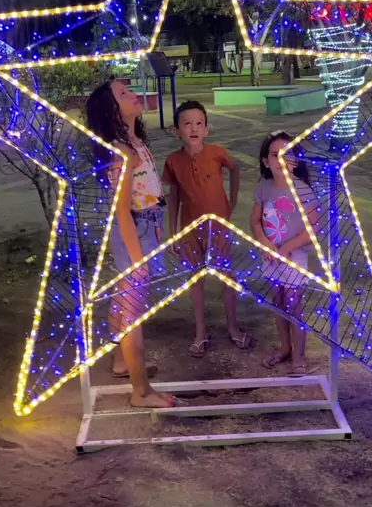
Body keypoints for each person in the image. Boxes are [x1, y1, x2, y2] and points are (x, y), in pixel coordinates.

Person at [86, 79, 173, 409]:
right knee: (133, 312)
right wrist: (137, 258)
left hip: (147, 225)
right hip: (134, 229)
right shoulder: (122, 152)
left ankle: (122, 362)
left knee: (125, 302)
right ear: (112, 111)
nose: (134, 94)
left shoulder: (135, 142)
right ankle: (141, 392)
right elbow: (121, 210)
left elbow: (147, 191)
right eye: (124, 94)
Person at [163, 100, 251, 357]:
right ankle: (200, 332)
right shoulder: (172, 161)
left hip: (218, 227)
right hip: (190, 229)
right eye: (187, 124)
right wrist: (174, 233)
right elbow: (173, 197)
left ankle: (233, 328)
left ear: (206, 129)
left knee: (227, 277)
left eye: (199, 123)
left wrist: (232, 201)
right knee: (195, 278)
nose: (193, 128)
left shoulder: (217, 152)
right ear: (176, 131)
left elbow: (235, 169)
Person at [250, 130, 319, 375]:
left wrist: (286, 248)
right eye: (275, 155)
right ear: (265, 161)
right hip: (271, 255)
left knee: (293, 304)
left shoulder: (303, 191)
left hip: (294, 256)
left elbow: (313, 229)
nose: (281, 160)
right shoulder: (264, 187)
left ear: (296, 160)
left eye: (287, 154)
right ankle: (285, 348)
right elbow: (255, 220)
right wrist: (264, 243)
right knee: (278, 303)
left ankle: (299, 356)